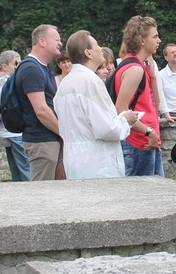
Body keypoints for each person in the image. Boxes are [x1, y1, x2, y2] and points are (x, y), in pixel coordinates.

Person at [54, 31, 139, 179]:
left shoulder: (65, 83)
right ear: (88, 53)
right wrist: (126, 119)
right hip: (97, 162)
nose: (100, 48)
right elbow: (107, 129)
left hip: (75, 160)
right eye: (97, 45)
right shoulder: (91, 81)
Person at [113, 15, 163, 176]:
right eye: (155, 36)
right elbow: (121, 109)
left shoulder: (139, 66)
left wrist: (153, 77)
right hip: (139, 143)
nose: (159, 40)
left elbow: (155, 105)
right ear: (142, 40)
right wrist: (149, 132)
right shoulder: (134, 69)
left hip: (147, 141)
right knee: (143, 198)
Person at [14, 24, 62, 181]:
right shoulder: (31, 68)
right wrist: (65, 133)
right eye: (56, 39)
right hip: (42, 142)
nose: (60, 43)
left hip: (49, 140)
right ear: (42, 41)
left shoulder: (43, 68)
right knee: (42, 195)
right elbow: (41, 110)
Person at [0, 50, 30, 181]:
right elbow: (0, 106)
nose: (18, 67)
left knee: (16, 168)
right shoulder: (4, 82)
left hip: (5, 130)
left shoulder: (2, 81)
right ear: (5, 66)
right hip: (12, 131)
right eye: (15, 63)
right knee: (27, 167)